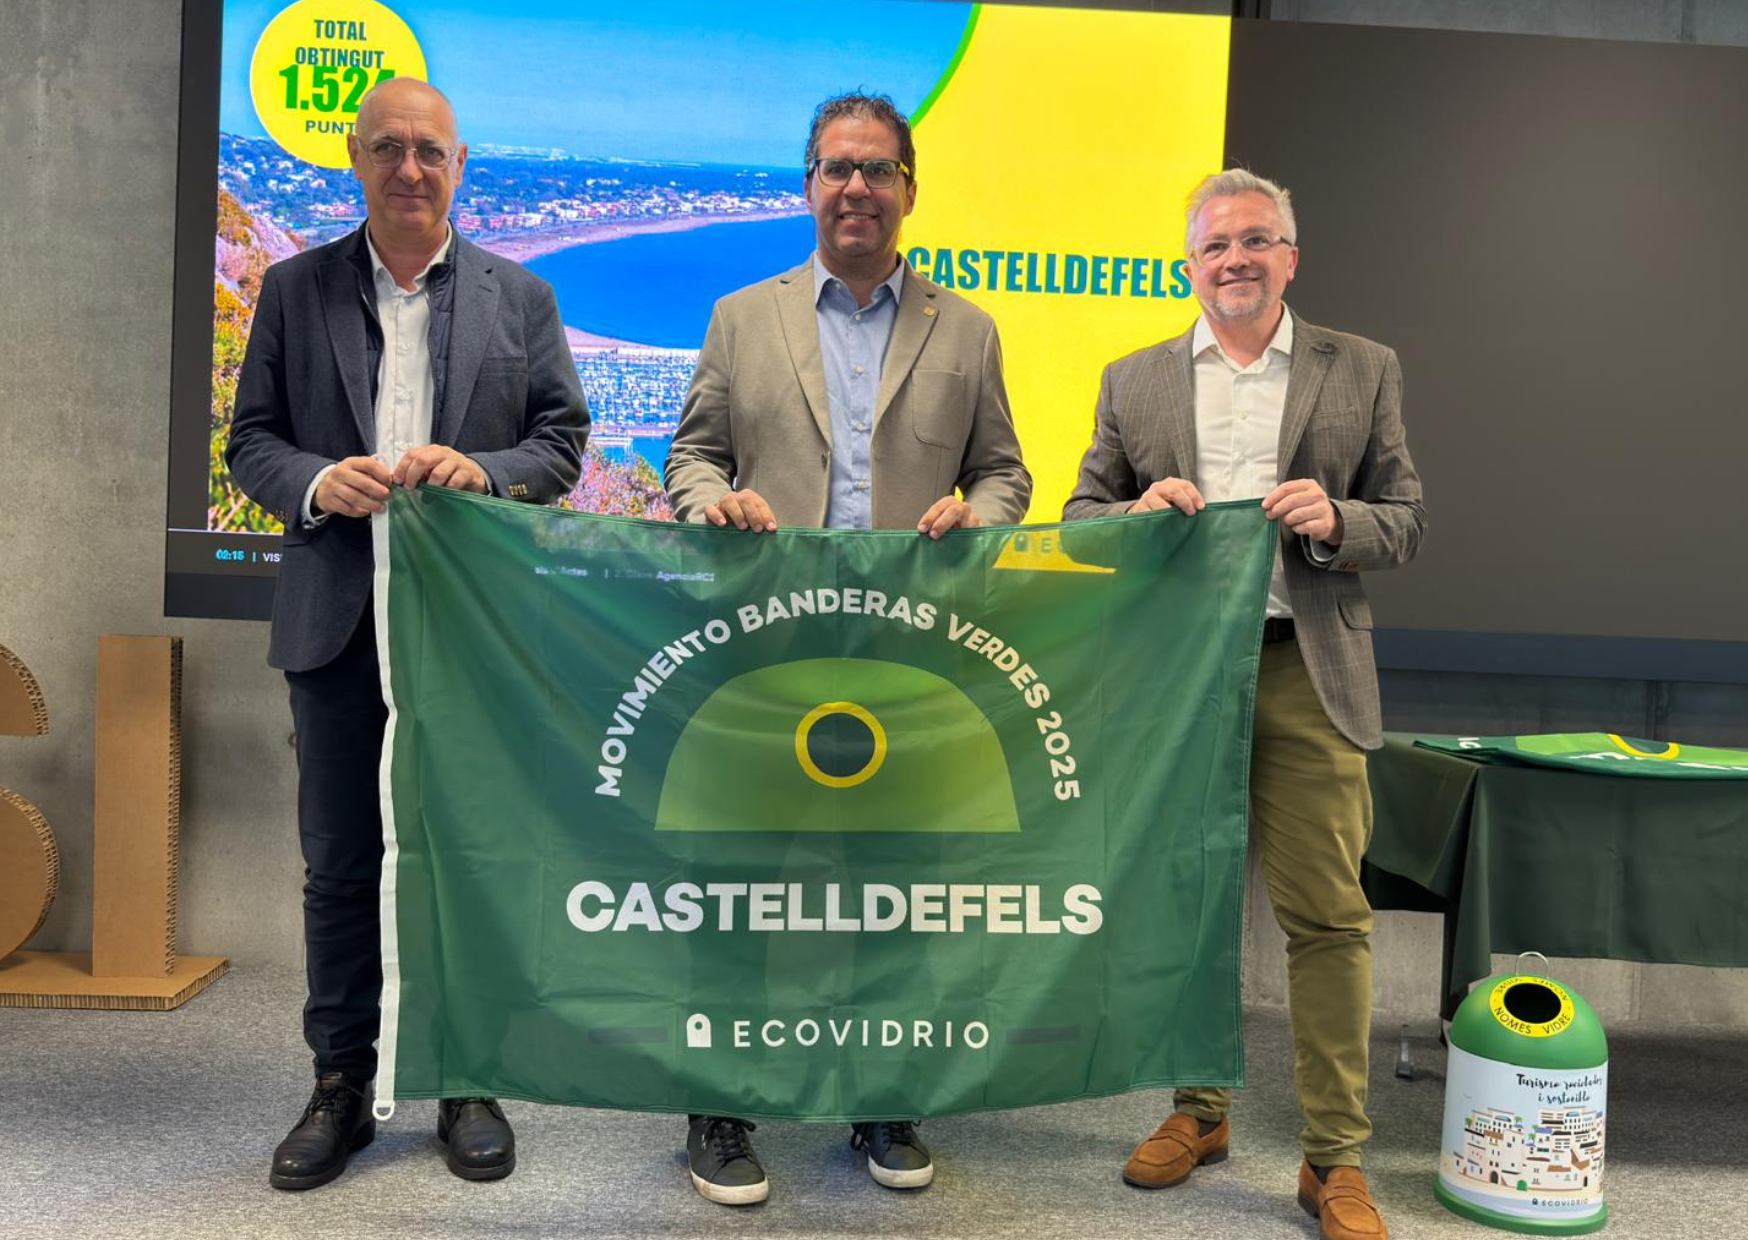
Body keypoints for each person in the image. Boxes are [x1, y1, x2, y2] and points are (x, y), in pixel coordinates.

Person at [663, 91, 1031, 1204]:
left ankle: (884, 1098)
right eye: (836, 168)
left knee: (893, 892)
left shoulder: (967, 330)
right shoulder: (742, 316)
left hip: (908, 659)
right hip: (761, 649)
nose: (856, 187)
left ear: (908, 188)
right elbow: (691, 455)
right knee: (737, 889)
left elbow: (1004, 473)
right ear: (808, 186)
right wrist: (712, 501)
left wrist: (980, 514)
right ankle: (717, 1109)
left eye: (876, 169)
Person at [226, 78, 588, 1191]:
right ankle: (340, 1083)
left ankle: (466, 1080)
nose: (410, 169)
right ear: (356, 159)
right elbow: (252, 442)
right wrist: (315, 481)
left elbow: (561, 442)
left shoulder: (522, 297)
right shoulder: (293, 289)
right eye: (388, 148)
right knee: (340, 867)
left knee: (467, 863)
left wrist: (482, 472)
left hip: (471, 633)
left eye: (430, 150)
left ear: (460, 164)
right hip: (336, 624)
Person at [1063, 169, 1424, 1240]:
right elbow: (1080, 515)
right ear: (1189, 265)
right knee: (1190, 905)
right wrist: (1136, 513)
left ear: (1289, 258)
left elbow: (1405, 519)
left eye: (1256, 240)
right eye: (1216, 244)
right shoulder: (1133, 379)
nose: (1235, 258)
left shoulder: (1361, 367)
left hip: (1306, 668)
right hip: (1181, 676)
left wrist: (1338, 521)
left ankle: (1334, 1159)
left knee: (1327, 919)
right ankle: (1200, 1111)